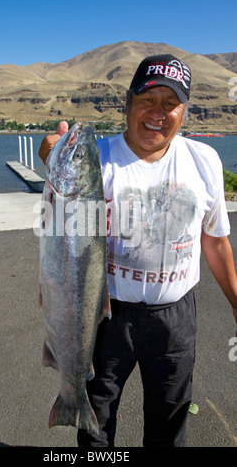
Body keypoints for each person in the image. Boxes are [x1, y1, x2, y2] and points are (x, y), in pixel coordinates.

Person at [38, 54, 237, 447]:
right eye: (147, 99)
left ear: (185, 111)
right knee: (96, 420)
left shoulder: (204, 160)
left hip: (175, 319)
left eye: (170, 103)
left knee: (170, 418)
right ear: (128, 102)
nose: (157, 113)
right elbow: (63, 235)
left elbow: (214, 241)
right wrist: (54, 162)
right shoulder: (100, 159)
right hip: (104, 315)